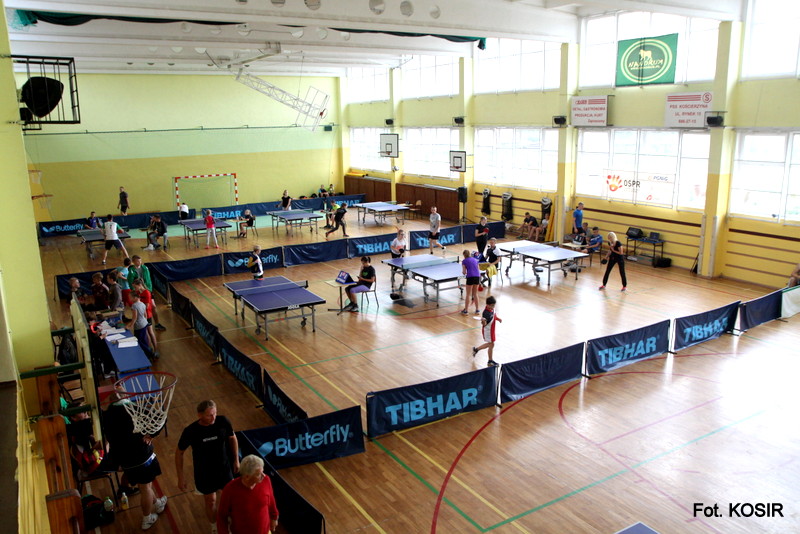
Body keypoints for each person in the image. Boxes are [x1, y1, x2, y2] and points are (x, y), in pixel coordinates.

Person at [103, 391, 167, 531]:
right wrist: (151, 435)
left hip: (124, 459)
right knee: (146, 488)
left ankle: (157, 504)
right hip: (141, 457)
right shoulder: (136, 409)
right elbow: (161, 418)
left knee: (145, 486)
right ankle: (147, 518)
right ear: (125, 397)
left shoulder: (106, 415)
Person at [176, 400, 239, 534]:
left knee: (231, 498)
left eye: (215, 413)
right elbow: (179, 453)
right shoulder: (191, 431)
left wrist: (236, 460)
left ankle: (233, 524)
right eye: (209, 415)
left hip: (224, 469)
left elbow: (232, 438)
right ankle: (214, 527)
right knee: (211, 501)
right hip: (204, 473)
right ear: (199, 415)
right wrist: (180, 477)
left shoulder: (223, 421)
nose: (213, 418)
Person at [216, 454, 278, 534]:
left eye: (263, 471)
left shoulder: (266, 480)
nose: (263, 475)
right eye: (258, 474)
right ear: (247, 477)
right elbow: (222, 516)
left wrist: (274, 517)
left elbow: (271, 501)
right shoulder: (230, 489)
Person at [128, 256, 166, 331]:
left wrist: (149, 289)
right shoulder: (131, 270)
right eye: (137, 261)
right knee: (142, 308)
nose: (139, 262)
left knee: (153, 306)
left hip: (147, 290)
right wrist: (135, 291)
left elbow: (148, 280)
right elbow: (130, 282)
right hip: (139, 292)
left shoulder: (145, 268)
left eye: (140, 260)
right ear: (133, 262)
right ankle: (144, 324)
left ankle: (157, 324)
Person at [132, 279, 159, 357]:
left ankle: (156, 349)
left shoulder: (147, 292)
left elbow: (147, 306)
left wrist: (138, 306)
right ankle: (149, 349)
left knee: (150, 332)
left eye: (135, 287)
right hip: (141, 316)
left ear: (140, 285)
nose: (134, 289)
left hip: (147, 315)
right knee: (145, 334)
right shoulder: (138, 293)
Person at [472, 295, 502, 366]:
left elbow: (494, 315)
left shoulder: (492, 309)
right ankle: (490, 361)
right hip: (488, 331)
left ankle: (476, 349)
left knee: (491, 344)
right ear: (487, 305)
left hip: (492, 330)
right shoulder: (485, 313)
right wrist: (483, 321)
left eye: (494, 305)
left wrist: (498, 319)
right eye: (491, 306)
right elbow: (484, 324)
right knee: (491, 344)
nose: (493, 307)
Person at [128, 290, 156, 360]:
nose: (129, 299)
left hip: (139, 326)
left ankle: (150, 353)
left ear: (135, 297)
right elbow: (145, 314)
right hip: (144, 323)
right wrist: (145, 322)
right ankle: (147, 353)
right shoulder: (142, 303)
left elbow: (134, 318)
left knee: (139, 341)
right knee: (144, 339)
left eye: (130, 297)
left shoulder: (134, 306)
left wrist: (130, 326)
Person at [461, 250, 481, 316]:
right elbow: (478, 269)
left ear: (464, 255)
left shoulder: (464, 261)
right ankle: (477, 310)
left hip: (470, 277)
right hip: (477, 276)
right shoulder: (475, 260)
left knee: (468, 294)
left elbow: (464, 272)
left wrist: (464, 272)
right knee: (475, 293)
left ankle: (466, 311)